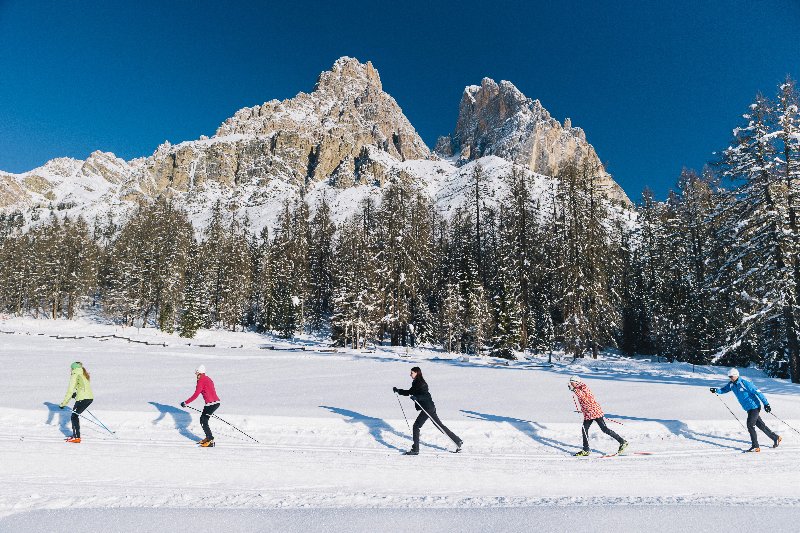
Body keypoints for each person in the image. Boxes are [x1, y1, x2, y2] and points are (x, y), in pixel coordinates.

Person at [394, 366, 462, 455]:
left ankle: (415, 449)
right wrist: (398, 391)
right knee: (439, 425)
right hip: (429, 407)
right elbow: (409, 392)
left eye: (412, 373)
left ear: (417, 373)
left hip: (427, 408)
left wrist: (417, 397)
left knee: (416, 426)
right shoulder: (416, 383)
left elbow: (426, 396)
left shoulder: (422, 383)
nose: (410, 374)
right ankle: (457, 441)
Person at [711, 367, 781, 452]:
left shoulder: (745, 383)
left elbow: (758, 392)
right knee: (761, 425)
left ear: (736, 375)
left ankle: (755, 446)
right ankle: (776, 438)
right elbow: (723, 390)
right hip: (748, 408)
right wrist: (716, 390)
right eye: (729, 377)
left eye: (731, 376)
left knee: (750, 425)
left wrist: (766, 404)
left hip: (754, 407)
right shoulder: (731, 384)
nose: (730, 378)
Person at [569, 376, 628, 457]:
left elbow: (585, 398)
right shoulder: (578, 388)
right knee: (584, 429)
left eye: (572, 383)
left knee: (604, 429)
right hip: (588, 414)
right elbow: (583, 401)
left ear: (576, 382)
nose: (571, 384)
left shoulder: (584, 388)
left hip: (595, 412)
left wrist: (575, 390)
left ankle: (622, 442)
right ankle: (586, 450)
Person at [181, 365, 220, 447]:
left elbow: (196, 394)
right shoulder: (208, 378)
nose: (196, 375)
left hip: (211, 404)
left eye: (196, 373)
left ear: (199, 373)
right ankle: (208, 438)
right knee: (203, 420)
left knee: (203, 421)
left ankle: (210, 440)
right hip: (213, 403)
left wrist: (185, 402)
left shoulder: (201, 380)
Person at [59, 361, 94, 443]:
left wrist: (63, 404)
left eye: (71, 368)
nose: (70, 370)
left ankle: (76, 437)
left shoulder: (75, 375)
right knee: (75, 416)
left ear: (73, 368)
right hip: (89, 398)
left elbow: (70, 390)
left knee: (74, 416)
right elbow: (82, 387)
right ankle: (76, 436)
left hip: (82, 399)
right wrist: (76, 394)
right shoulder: (83, 375)